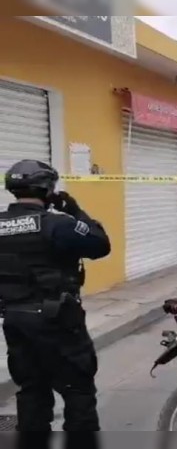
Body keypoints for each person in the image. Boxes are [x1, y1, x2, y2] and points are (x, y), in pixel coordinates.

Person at [0, 160, 110, 443]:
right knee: (78, 390)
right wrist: (73, 209)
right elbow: (100, 244)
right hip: (58, 321)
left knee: (31, 391)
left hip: (15, 320)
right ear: (48, 190)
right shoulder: (58, 225)